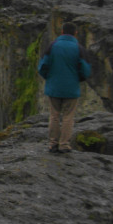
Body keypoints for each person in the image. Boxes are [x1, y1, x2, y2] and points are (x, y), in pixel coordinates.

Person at [37, 22, 91, 153]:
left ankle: (52, 143)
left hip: (54, 87)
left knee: (54, 115)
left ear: (62, 32)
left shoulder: (52, 46)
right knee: (68, 117)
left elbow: (42, 66)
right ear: (75, 33)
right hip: (71, 88)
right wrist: (77, 79)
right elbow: (85, 70)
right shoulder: (79, 48)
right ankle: (64, 144)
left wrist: (49, 78)